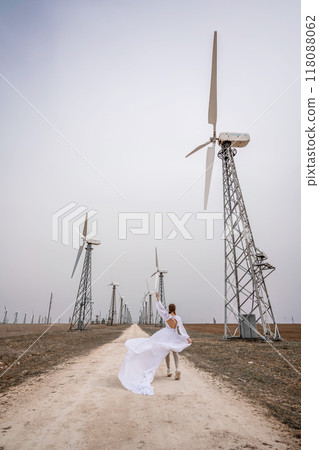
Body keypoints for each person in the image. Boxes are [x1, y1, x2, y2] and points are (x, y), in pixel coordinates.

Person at [118, 292, 192, 396]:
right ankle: (177, 369)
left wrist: (157, 298)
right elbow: (181, 330)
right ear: (175, 309)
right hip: (174, 336)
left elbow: (160, 309)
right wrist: (187, 338)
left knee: (165, 352)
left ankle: (168, 370)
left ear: (169, 309)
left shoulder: (166, 316)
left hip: (165, 335)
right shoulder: (178, 318)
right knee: (175, 352)